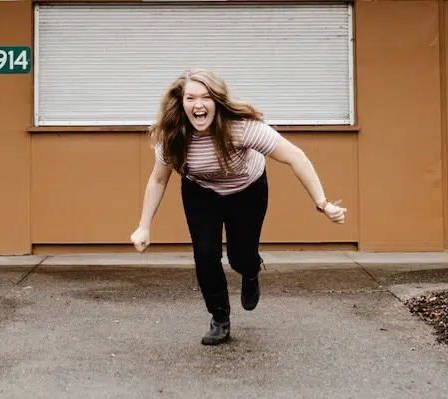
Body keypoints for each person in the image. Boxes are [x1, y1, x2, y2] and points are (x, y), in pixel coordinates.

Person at [130, 69, 347, 346]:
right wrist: (144, 226)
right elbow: (159, 179)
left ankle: (250, 270)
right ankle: (219, 319)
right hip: (201, 191)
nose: (198, 105)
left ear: (217, 101)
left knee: (240, 256)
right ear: (180, 102)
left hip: (247, 190)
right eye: (191, 98)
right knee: (205, 256)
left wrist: (323, 203)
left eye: (206, 97)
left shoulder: (240, 128)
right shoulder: (174, 136)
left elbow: (295, 156)